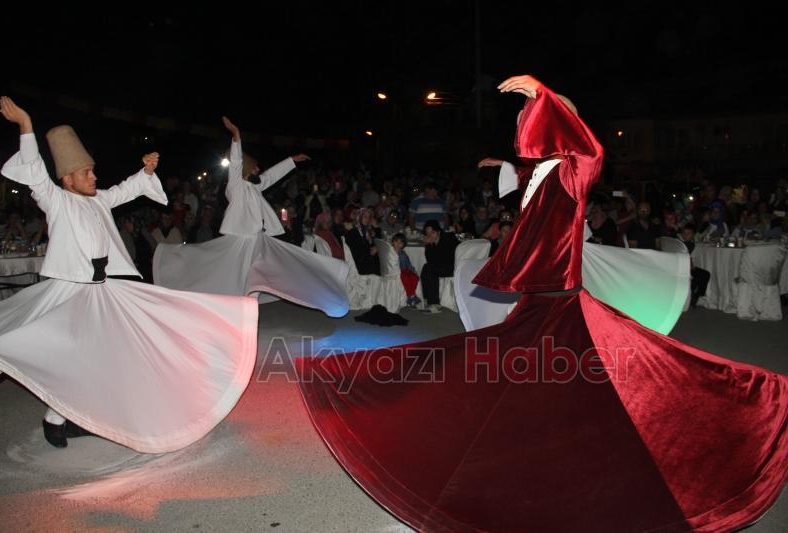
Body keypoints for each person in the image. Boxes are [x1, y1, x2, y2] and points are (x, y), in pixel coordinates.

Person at [294, 76, 788, 532]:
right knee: (496, 378)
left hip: (564, 305)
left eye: (538, 114)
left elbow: (588, 150)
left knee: (612, 386)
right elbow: (530, 191)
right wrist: (507, 164)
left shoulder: (579, 169)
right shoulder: (545, 170)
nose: (527, 121)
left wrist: (543, 91)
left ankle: (754, 402)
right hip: (537, 303)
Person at [0, 97, 258, 452]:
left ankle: (58, 418)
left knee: (95, 357)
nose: (94, 176)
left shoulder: (99, 199)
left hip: (99, 291)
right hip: (67, 292)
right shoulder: (57, 200)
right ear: (68, 179)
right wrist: (25, 124)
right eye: (87, 172)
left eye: (93, 171)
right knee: (9, 342)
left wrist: (145, 173)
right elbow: (36, 173)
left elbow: (125, 190)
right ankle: (54, 415)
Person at [152, 117, 349, 318]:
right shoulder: (235, 187)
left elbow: (271, 176)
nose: (258, 170)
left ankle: (322, 288)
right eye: (255, 167)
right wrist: (236, 137)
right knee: (234, 276)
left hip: (258, 240)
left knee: (273, 269)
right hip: (242, 241)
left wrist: (291, 161)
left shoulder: (254, 186)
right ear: (247, 168)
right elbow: (235, 164)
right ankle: (230, 310)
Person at [391, 232, 421, 307]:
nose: (398, 244)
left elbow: (408, 264)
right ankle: (411, 295)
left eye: (401, 242)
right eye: (396, 241)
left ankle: (411, 295)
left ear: (403, 245)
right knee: (405, 277)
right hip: (396, 272)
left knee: (414, 277)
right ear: (392, 242)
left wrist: (413, 271)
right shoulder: (390, 252)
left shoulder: (403, 253)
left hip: (405, 270)